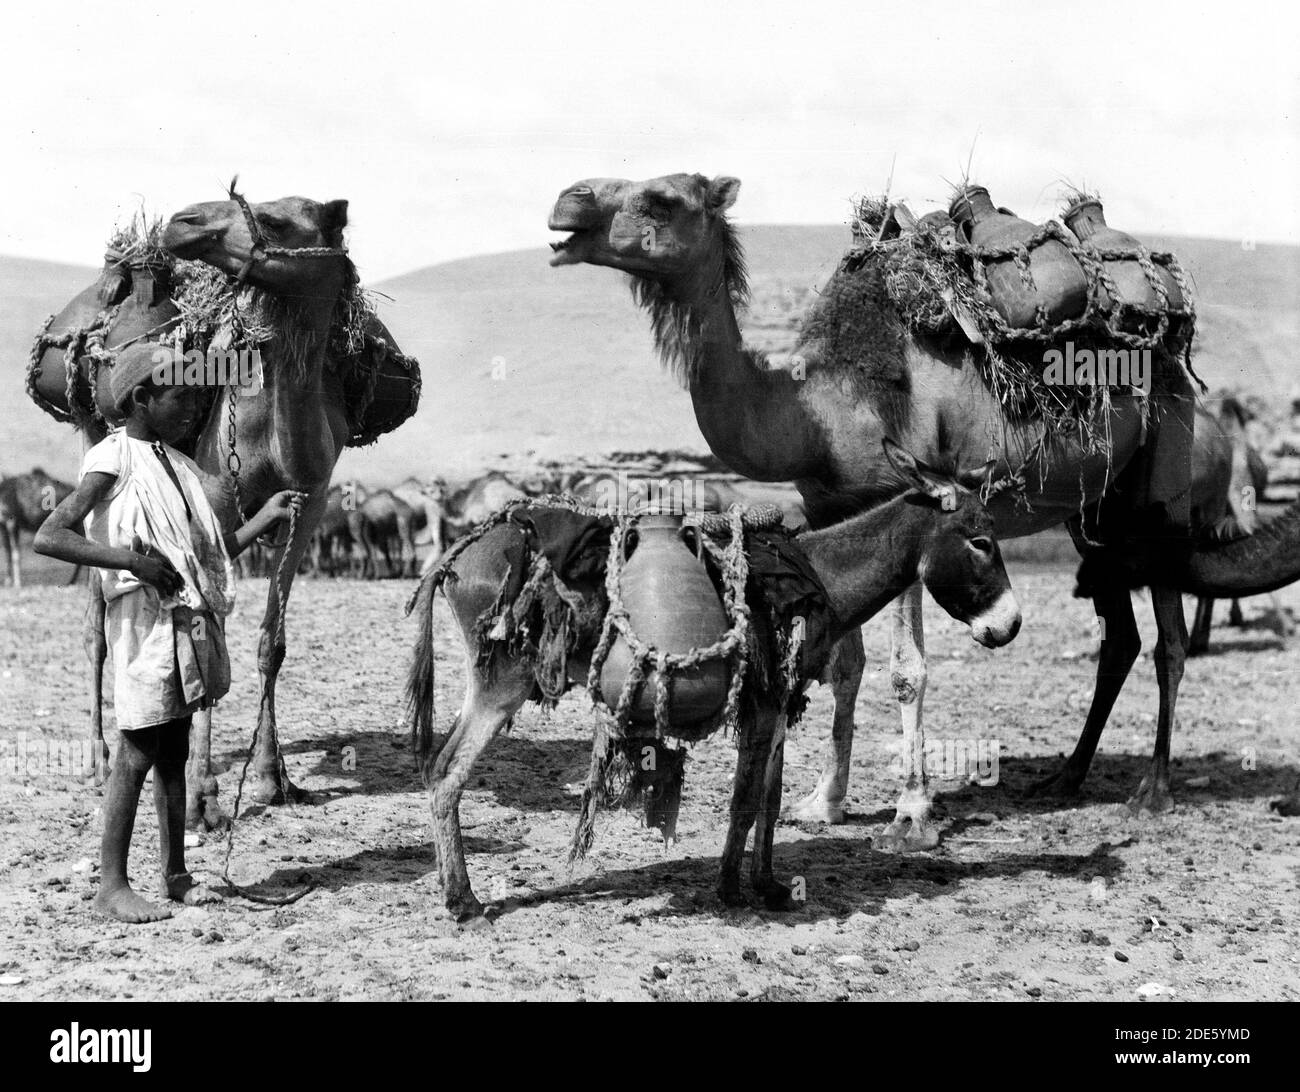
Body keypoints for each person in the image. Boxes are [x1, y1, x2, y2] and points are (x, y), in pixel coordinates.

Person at [34, 342, 304, 923]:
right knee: (137, 748)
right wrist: (128, 562)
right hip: (141, 621)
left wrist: (266, 518)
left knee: (176, 748)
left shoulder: (179, 466)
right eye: (181, 397)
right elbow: (49, 536)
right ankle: (111, 885)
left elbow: (204, 554)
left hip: (186, 621)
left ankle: (175, 874)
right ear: (140, 398)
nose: (193, 410)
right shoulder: (114, 459)